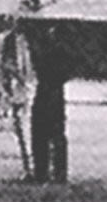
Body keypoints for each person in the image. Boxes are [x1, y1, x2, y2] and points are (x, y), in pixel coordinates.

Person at [28, 25, 74, 184]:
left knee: (43, 134)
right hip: (53, 91)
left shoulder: (52, 50)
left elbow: (39, 65)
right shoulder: (63, 50)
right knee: (54, 134)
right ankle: (56, 173)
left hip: (48, 91)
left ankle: (43, 172)